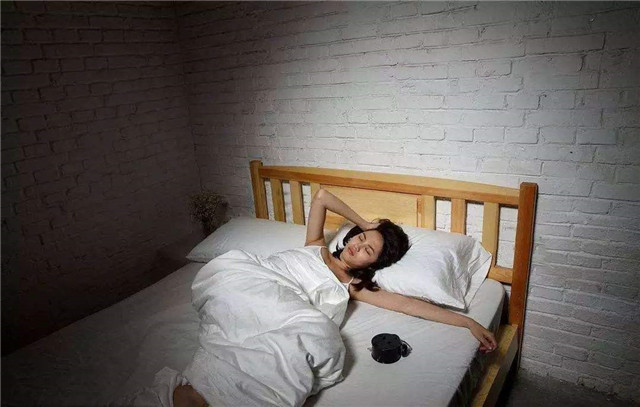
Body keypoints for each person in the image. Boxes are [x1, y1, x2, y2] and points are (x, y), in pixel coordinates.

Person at [174, 188, 497, 407]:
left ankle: (200, 393)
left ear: (373, 265)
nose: (357, 245)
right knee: (243, 287)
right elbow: (322, 197)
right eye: (360, 238)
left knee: (310, 332)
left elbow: (408, 305)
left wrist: (467, 322)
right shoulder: (315, 245)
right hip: (254, 282)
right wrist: (365, 222)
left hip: (283, 312)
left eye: (367, 250)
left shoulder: (355, 286)